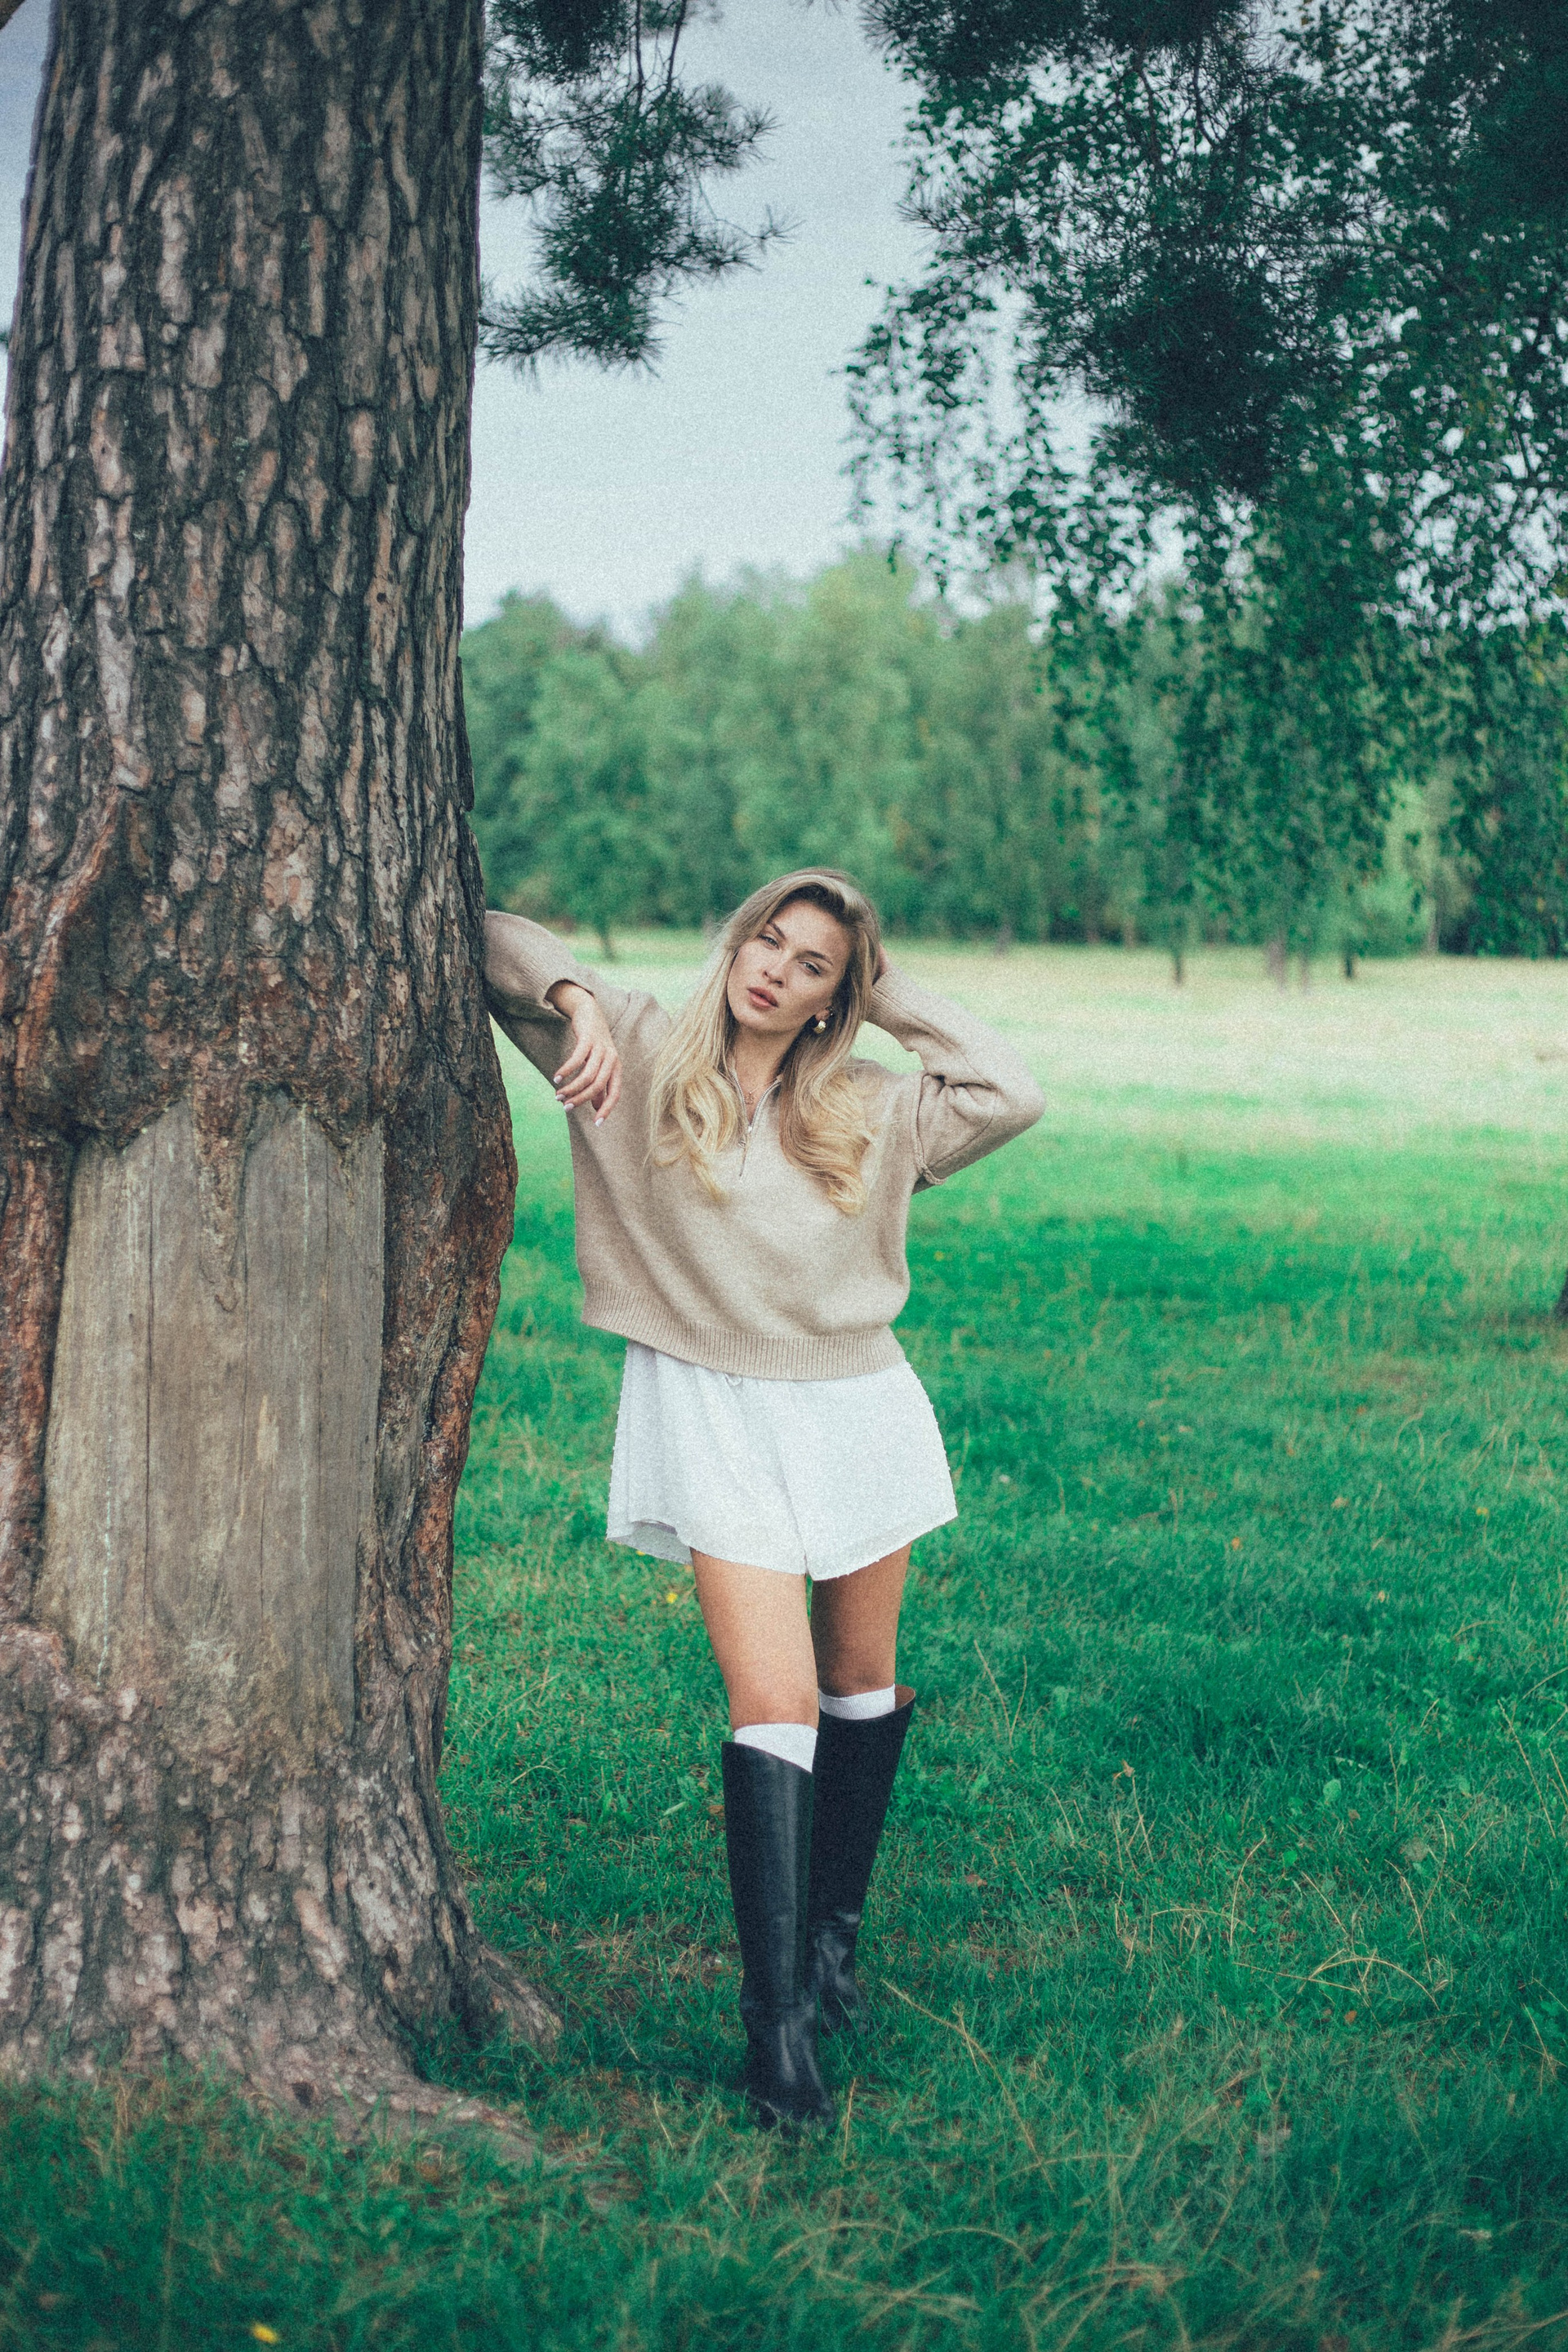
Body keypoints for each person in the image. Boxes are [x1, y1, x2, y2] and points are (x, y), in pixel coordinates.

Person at [484, 870, 1044, 2129]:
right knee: (775, 1702)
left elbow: (1011, 1092)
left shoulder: (870, 1107)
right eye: (767, 941)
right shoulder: (631, 1049)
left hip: (856, 1407)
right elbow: (484, 936)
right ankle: (776, 2025)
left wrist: (882, 991)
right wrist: (572, 997)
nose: (773, 971)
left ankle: (832, 1946)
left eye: (811, 966)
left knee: (859, 1684)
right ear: (735, 940)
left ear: (836, 998)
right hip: (708, 1409)